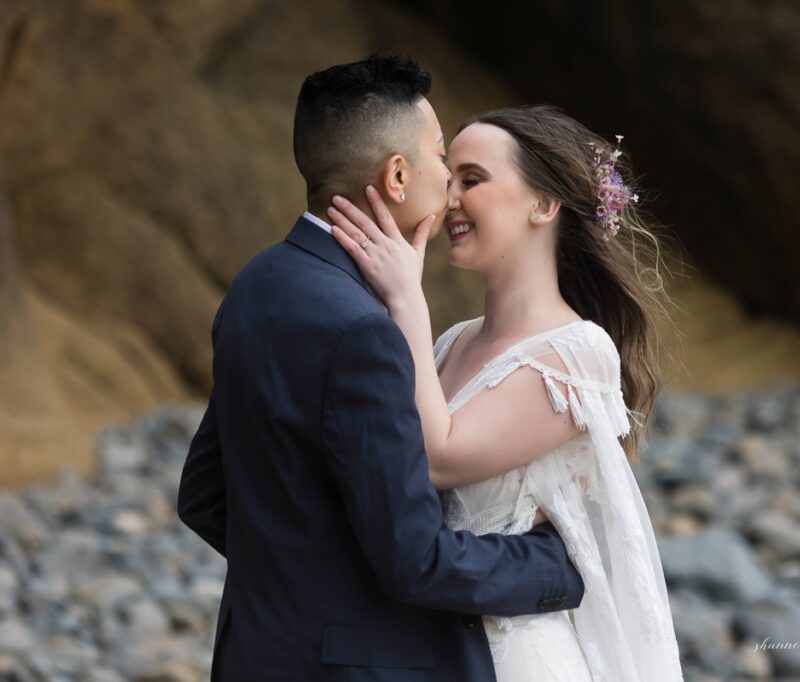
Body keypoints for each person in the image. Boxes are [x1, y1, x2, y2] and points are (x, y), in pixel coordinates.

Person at [176, 55, 585, 682]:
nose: (449, 181)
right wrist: (555, 568)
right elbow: (413, 558)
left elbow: (205, 495)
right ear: (397, 174)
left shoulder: (257, 284)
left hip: (251, 654)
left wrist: (296, 587)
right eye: (443, 158)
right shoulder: (364, 331)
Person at [329, 104, 684, 681]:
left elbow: (438, 456)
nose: (448, 201)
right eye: (450, 179)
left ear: (544, 206)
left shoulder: (579, 353)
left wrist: (405, 299)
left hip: (514, 657)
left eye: (473, 180)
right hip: (433, 647)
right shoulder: (448, 343)